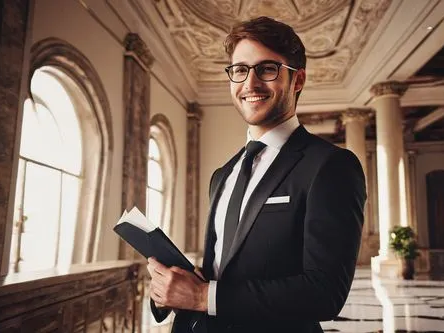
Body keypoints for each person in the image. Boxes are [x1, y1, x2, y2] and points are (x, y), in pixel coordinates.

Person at [146, 16, 366, 333]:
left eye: (267, 69)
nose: (250, 83)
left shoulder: (332, 166)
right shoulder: (223, 174)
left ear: (298, 80)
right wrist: (172, 290)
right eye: (239, 70)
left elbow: (325, 292)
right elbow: (221, 269)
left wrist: (202, 296)